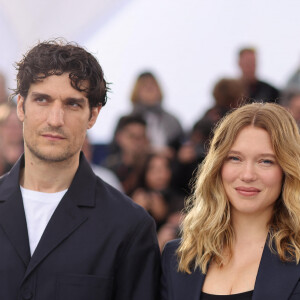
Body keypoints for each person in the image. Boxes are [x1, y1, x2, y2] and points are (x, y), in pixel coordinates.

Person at [0, 40, 160, 300]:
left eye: (72, 104)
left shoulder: (129, 227)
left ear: (93, 115)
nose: (55, 119)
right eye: (42, 99)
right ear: (21, 106)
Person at [161, 102, 300, 300]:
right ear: (218, 166)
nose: (248, 174)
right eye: (235, 158)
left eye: (265, 161)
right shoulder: (177, 257)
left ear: (287, 170)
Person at [129, 71, 184, 156]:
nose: (149, 90)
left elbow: (181, 147)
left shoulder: (172, 121)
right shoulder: (128, 121)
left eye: (152, 87)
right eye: (145, 87)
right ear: (136, 92)